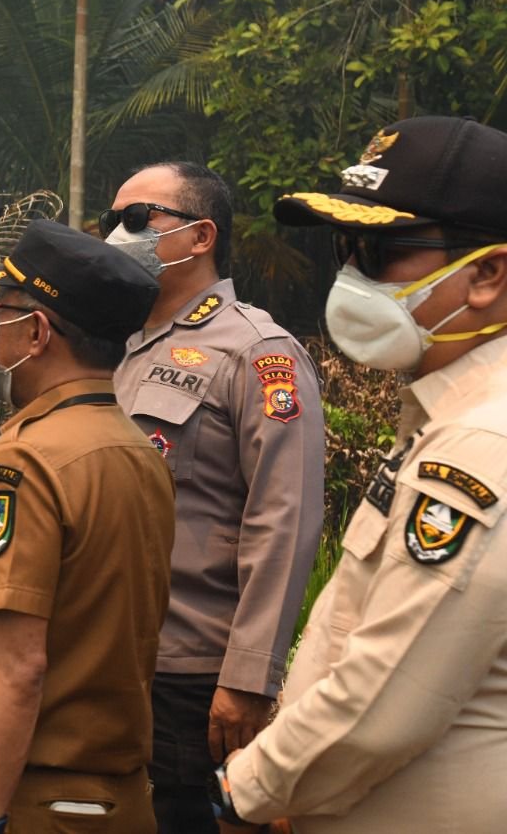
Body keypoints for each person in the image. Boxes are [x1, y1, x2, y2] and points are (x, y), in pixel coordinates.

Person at [212, 116, 507, 833]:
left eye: (380, 252)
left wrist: (247, 791)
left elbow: (387, 698)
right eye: (345, 249)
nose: (350, 277)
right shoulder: (445, 416)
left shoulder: (477, 442)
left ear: (488, 275)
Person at [0, 218, 173, 834]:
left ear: (37, 332)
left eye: (1, 311)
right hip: (121, 798)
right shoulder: (138, 450)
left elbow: (19, 667)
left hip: (36, 799)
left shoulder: (24, 463)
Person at [104, 162, 325, 833]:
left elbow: (284, 519)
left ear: (201, 236)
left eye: (137, 219)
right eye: (112, 219)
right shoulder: (121, 344)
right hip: (114, 652)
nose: (118, 234)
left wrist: (249, 676)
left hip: (195, 668)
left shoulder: (257, 352)